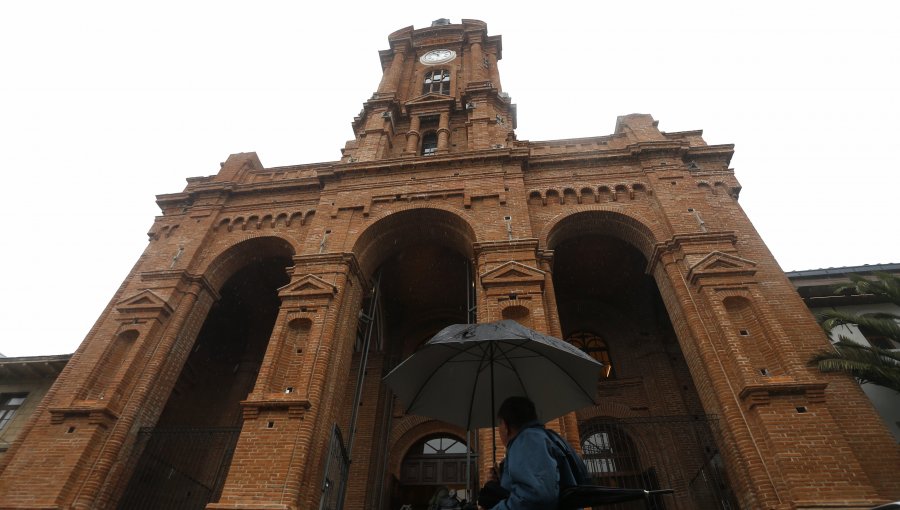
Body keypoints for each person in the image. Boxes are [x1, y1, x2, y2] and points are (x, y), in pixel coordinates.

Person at [478, 396, 587, 510]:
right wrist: (503, 478)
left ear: (505, 426)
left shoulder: (528, 440)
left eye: (499, 425)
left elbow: (535, 498)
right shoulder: (550, 438)